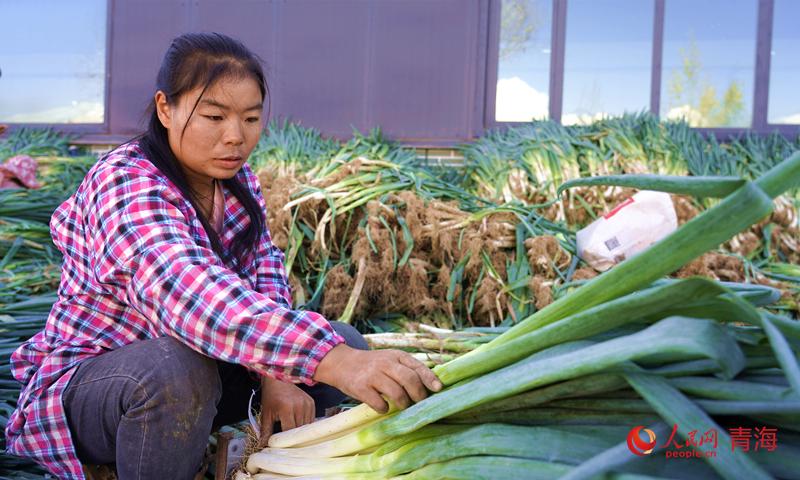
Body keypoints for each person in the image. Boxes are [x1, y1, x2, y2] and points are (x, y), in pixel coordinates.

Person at [5, 32, 442, 479]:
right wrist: (328, 360)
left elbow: (264, 270)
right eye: (214, 116)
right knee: (174, 367)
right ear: (165, 109)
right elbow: (186, 293)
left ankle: (266, 465)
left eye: (251, 118)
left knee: (344, 338)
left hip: (203, 370)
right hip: (100, 387)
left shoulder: (234, 181)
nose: (235, 137)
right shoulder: (125, 181)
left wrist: (280, 373)